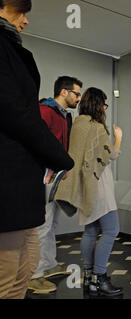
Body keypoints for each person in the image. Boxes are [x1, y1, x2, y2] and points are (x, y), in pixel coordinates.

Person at [0, 0, 74, 299]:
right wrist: (59, 159)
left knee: (25, 267)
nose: (25, 21)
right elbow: (17, 113)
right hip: (9, 181)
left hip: (24, 180)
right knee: (8, 275)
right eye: (21, 11)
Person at [54, 87, 123, 297]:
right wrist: (118, 137)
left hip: (84, 185)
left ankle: (89, 278)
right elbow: (112, 154)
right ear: (97, 104)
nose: (104, 108)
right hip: (98, 184)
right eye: (103, 103)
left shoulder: (78, 124)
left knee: (91, 232)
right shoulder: (96, 127)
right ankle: (100, 278)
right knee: (111, 230)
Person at [28, 76, 83, 294]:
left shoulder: (64, 116)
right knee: (41, 225)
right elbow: (39, 142)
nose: (79, 98)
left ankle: (49, 264)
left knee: (51, 223)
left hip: (55, 175)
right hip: (42, 175)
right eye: (76, 94)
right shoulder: (44, 111)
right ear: (63, 92)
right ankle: (35, 275)